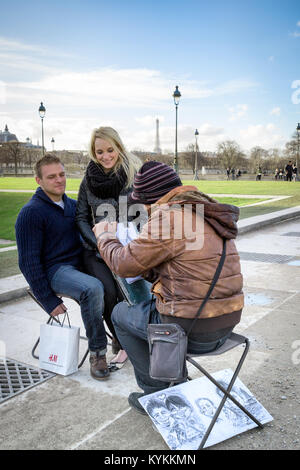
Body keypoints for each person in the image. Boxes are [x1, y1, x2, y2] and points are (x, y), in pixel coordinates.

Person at [93, 161, 244, 413]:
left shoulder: (169, 217)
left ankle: (156, 391)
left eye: (143, 203)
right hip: (227, 324)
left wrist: (105, 235)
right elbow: (189, 271)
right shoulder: (203, 210)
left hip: (194, 332)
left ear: (151, 199)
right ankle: (174, 378)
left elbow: (122, 264)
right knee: (151, 307)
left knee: (120, 314)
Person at [15, 154, 111, 380]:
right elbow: (27, 262)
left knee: (115, 280)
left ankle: (121, 338)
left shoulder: (73, 206)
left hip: (78, 266)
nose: (59, 180)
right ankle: (98, 352)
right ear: (38, 180)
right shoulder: (31, 213)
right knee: (93, 288)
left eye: (61, 174)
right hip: (54, 271)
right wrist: (48, 300)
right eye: (51, 177)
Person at [75, 126, 142, 368]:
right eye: (99, 151)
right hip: (96, 250)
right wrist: (100, 243)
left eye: (110, 150)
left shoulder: (134, 175)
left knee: (134, 293)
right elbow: (81, 217)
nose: (105, 156)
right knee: (108, 293)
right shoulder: (88, 180)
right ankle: (122, 344)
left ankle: (139, 338)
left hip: (128, 248)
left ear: (119, 147)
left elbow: (142, 214)